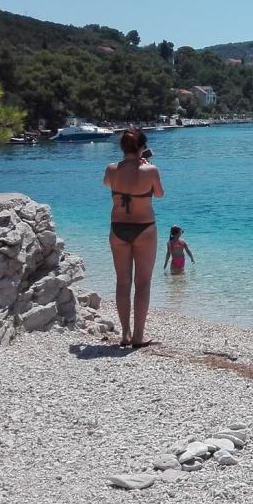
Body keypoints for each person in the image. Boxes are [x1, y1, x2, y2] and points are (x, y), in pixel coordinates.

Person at [103, 128, 164, 347]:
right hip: (144, 228)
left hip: (118, 228)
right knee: (143, 282)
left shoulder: (111, 169)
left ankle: (125, 334)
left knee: (123, 281)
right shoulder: (151, 170)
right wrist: (145, 166)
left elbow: (108, 184)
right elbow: (159, 194)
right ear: (141, 148)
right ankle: (138, 336)